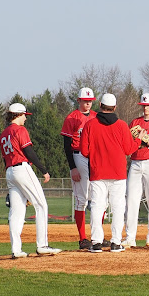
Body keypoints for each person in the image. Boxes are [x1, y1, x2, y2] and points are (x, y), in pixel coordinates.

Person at [80, 93, 145, 253]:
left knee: (97, 207)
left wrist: (96, 154)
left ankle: (96, 242)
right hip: (117, 173)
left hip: (97, 172)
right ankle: (116, 242)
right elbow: (129, 150)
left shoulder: (90, 125)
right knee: (117, 207)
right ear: (115, 108)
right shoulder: (122, 125)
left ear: (100, 106)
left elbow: (83, 151)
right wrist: (139, 140)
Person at [0, 102, 62, 258]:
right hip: (22, 168)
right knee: (41, 205)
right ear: (18, 115)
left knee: (17, 211)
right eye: (24, 116)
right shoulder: (20, 130)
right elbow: (28, 151)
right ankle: (42, 245)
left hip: (9, 171)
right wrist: (44, 170)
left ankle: (16, 250)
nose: (26, 119)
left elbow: (5, 158)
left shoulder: (3, 134)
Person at [61, 87, 109, 250]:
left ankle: (98, 236)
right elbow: (67, 145)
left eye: (90, 101)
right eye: (85, 101)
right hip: (78, 156)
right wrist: (72, 167)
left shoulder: (97, 117)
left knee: (100, 197)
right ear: (79, 101)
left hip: (95, 156)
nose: (88, 104)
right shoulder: (72, 118)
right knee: (82, 198)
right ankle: (83, 238)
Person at [122, 93, 149, 248]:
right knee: (131, 201)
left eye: (148, 105)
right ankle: (130, 237)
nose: (145, 107)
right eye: (143, 105)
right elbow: (127, 144)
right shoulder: (135, 122)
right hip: (135, 163)